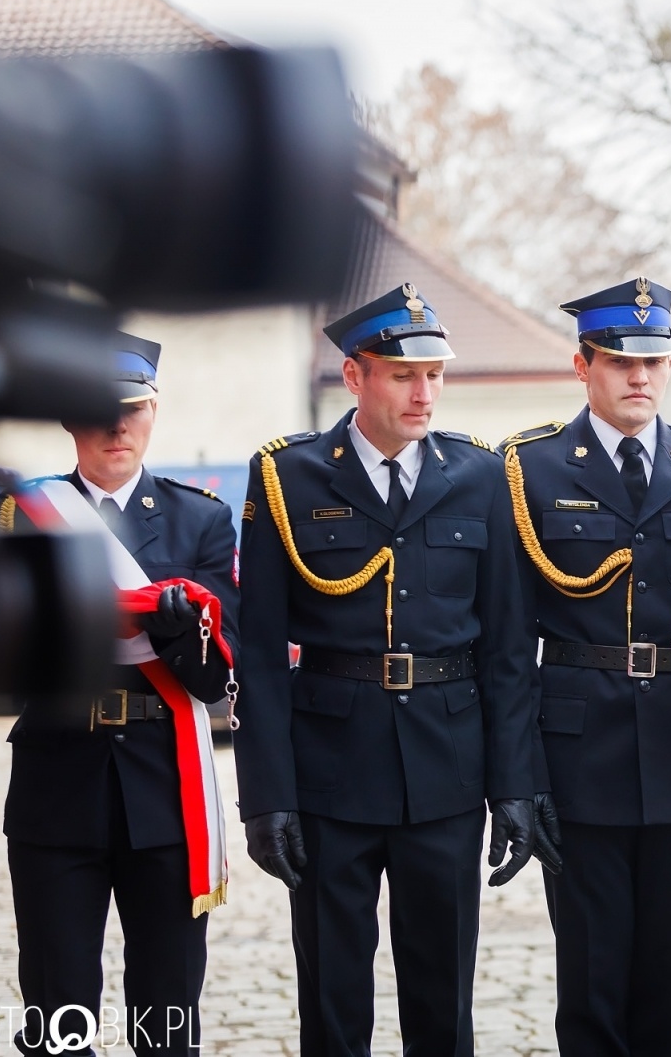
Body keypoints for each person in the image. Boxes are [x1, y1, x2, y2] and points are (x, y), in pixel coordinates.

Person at [233, 283, 543, 1057]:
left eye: (435, 374)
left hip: (445, 768)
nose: (424, 392)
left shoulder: (479, 476)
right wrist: (265, 799)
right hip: (330, 772)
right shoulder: (289, 477)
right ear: (354, 375)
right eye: (404, 374)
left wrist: (513, 783)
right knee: (333, 1001)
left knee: (443, 999)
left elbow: (508, 650)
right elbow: (263, 657)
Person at [502, 277, 671, 1056]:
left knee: (670, 987)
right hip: (579, 761)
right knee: (589, 993)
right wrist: (518, 781)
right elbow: (511, 649)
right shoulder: (532, 469)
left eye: (655, 360)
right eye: (621, 361)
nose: (641, 377)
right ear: (582, 365)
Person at [0, 334, 239, 1055]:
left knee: (166, 1018)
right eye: (97, 411)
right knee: (57, 1018)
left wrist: (174, 631)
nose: (116, 427)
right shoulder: (24, 516)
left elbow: (216, 679)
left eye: (131, 409)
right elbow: (3, 672)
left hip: (165, 791)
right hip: (56, 785)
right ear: (70, 421)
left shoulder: (200, 520)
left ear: (153, 412)